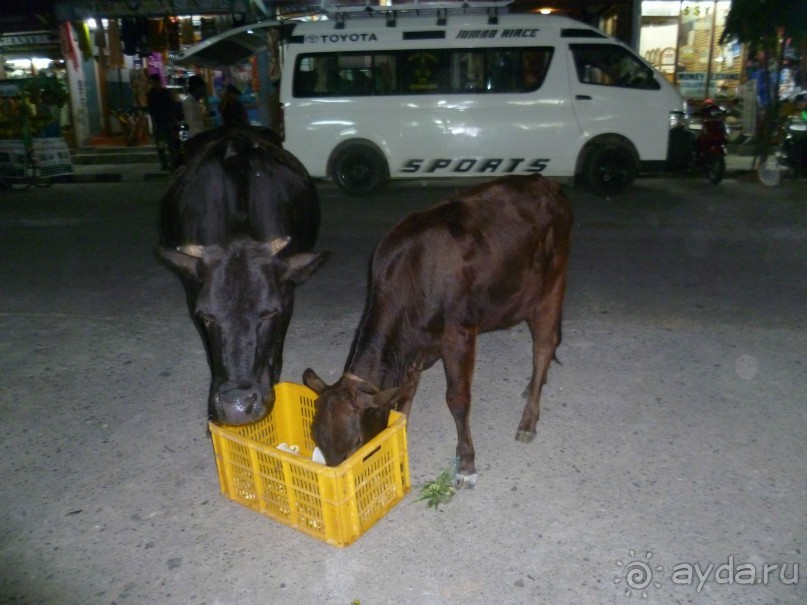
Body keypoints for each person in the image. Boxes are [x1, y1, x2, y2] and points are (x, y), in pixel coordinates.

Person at [146, 73, 177, 170]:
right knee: (161, 145)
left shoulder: (165, 93)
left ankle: (173, 163)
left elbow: (171, 107)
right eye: (151, 83)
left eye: (153, 82)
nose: (153, 85)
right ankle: (164, 164)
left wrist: (172, 120)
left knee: (170, 143)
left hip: (167, 122)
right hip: (158, 122)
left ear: (158, 82)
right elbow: (151, 110)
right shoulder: (151, 94)